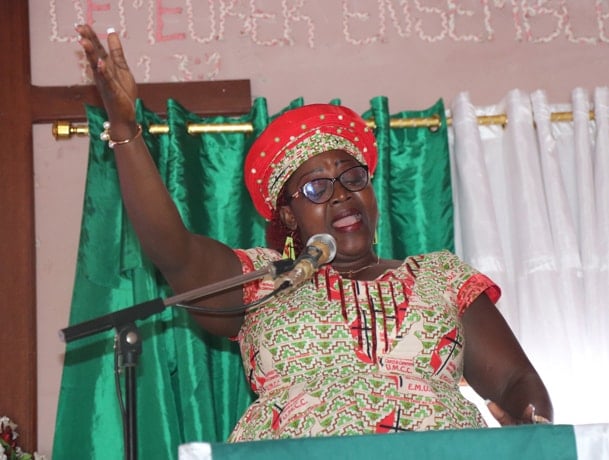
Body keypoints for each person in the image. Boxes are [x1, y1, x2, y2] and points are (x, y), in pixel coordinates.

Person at [75, 24, 553, 441]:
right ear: (288, 215)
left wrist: (532, 432)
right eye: (317, 186)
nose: (342, 195)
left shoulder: (441, 277)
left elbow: (516, 381)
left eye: (353, 178)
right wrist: (126, 131)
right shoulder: (263, 282)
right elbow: (172, 250)